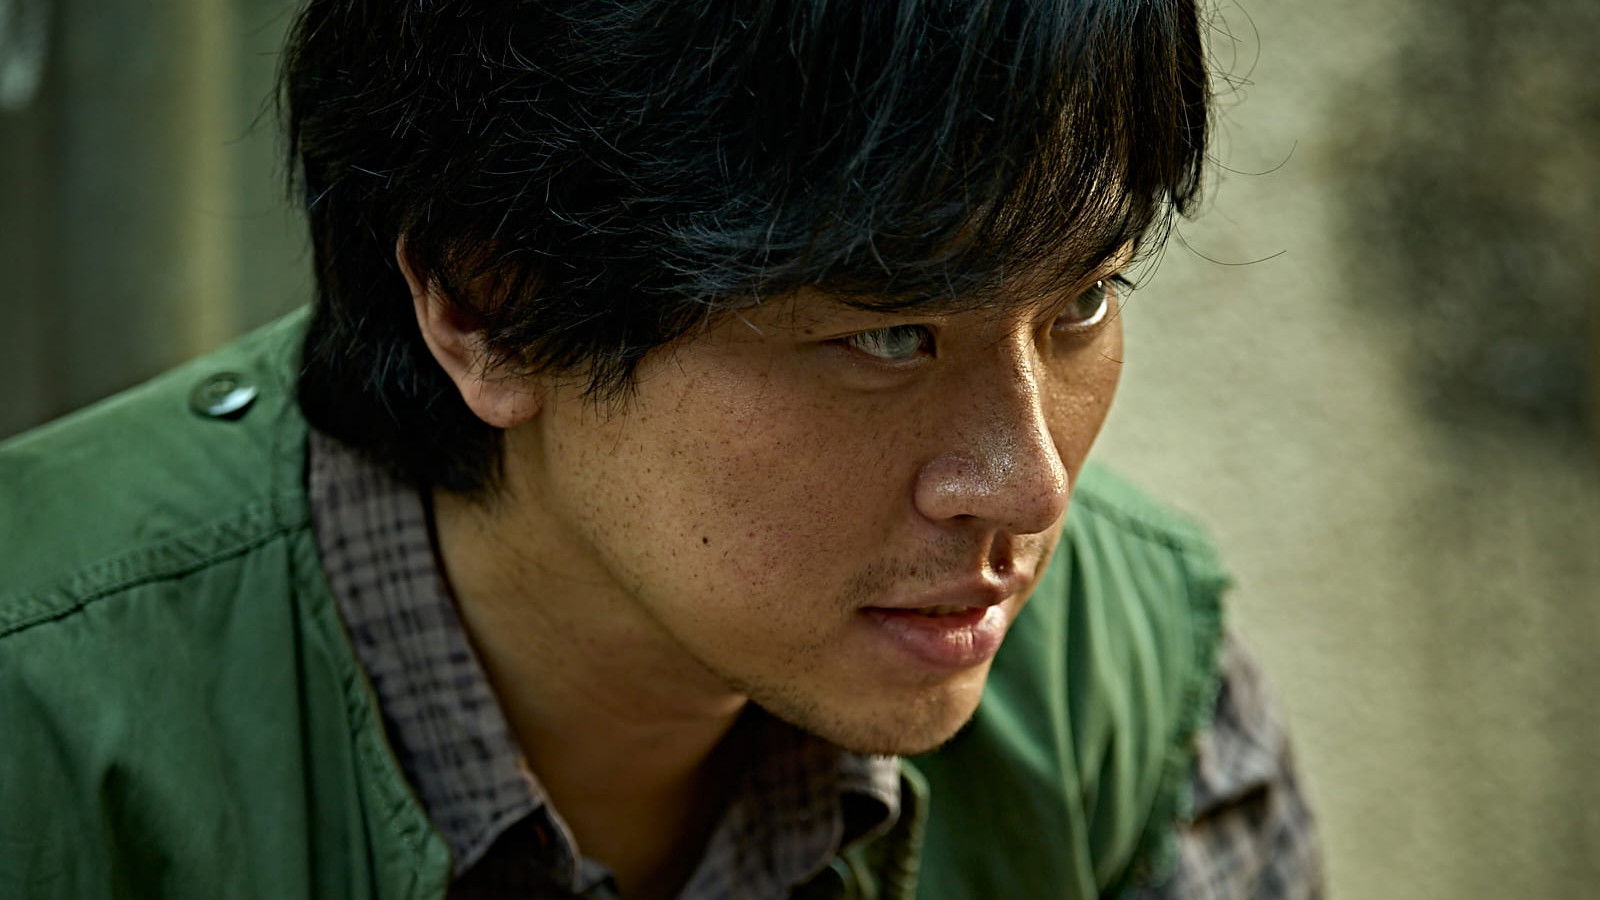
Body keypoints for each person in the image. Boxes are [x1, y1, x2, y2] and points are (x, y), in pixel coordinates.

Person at [0, 1, 1322, 897]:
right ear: (490, 307)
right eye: (889, 337)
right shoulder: (41, 732)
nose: (1029, 488)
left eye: (1082, 302)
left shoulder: (1133, 691)